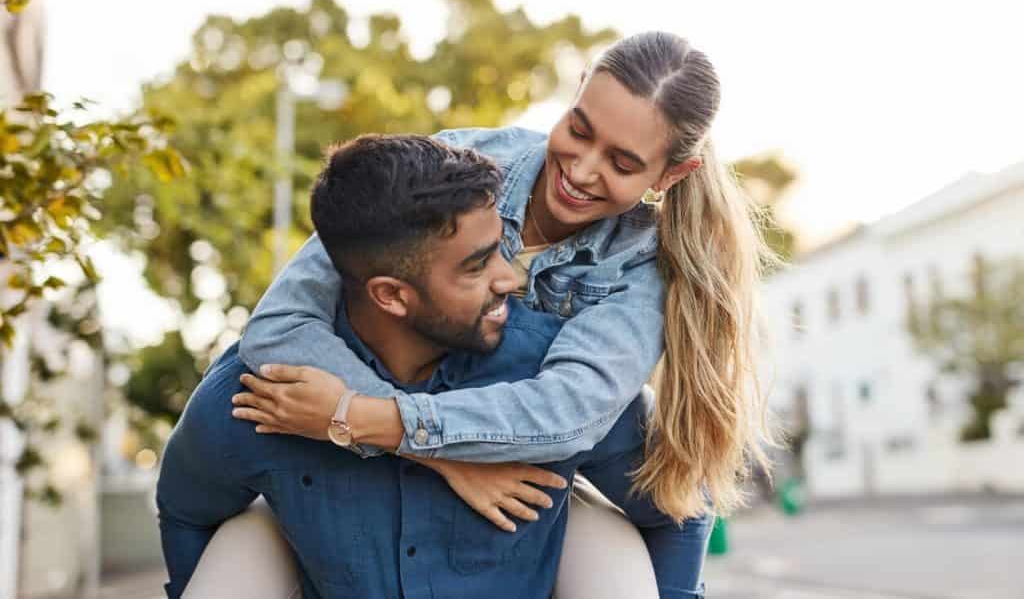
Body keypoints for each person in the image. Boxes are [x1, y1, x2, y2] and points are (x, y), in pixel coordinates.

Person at [237, 31, 777, 536]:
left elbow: (566, 414)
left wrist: (363, 417)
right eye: (580, 129)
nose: (583, 170)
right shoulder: (450, 168)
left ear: (669, 176)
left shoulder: (643, 264)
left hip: (558, 482)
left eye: (621, 163)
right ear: (576, 91)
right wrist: (433, 454)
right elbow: (278, 326)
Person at [157, 134, 711, 598]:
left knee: (608, 542)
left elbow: (682, 507)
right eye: (477, 266)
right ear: (392, 296)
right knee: (244, 538)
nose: (512, 279)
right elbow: (184, 509)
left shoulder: (552, 376)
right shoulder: (263, 395)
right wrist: (442, 456)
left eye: (502, 248)